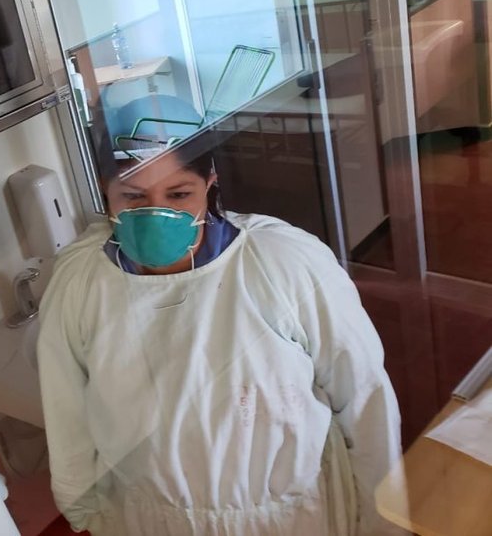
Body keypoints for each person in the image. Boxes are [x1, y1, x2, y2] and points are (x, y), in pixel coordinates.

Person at [37, 133, 404, 535]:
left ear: (209, 183)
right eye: (133, 196)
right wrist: (83, 507)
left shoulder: (280, 262)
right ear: (105, 192)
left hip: (290, 516)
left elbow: (363, 393)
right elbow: (66, 406)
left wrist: (384, 519)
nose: (156, 214)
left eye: (178, 194)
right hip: (151, 519)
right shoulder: (82, 281)